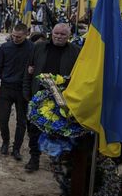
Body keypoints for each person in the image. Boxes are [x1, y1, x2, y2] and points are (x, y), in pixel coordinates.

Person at [22, 23, 80, 172]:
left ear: (69, 36)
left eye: (62, 35)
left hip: (62, 99)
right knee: (34, 130)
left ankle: (58, 161)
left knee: (59, 131)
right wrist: (27, 93)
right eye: (56, 33)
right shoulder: (39, 47)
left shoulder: (75, 51)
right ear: (51, 33)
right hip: (38, 98)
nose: (59, 37)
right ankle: (34, 158)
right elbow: (28, 70)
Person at [0, 23, 33, 158]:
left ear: (26, 34)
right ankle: (5, 141)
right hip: (6, 87)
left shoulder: (32, 48)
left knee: (21, 121)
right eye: (13, 36)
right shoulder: (5, 47)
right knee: (2, 118)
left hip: (23, 89)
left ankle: (17, 148)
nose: (15, 39)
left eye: (19, 37)